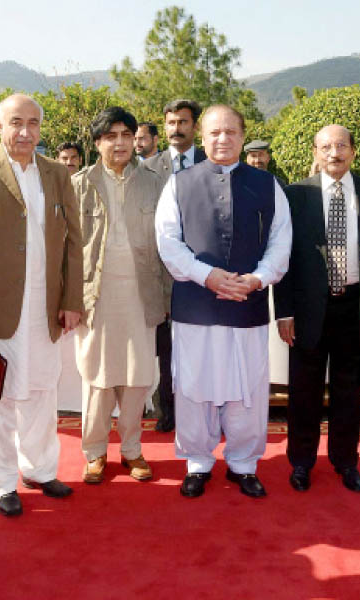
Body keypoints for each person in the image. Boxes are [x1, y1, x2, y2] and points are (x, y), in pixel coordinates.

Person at [0, 94, 83, 517]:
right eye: (16, 123)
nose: (25, 132)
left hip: (44, 307)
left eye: (33, 124)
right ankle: (1, 480)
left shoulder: (57, 173)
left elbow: (74, 243)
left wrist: (72, 299)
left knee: (43, 388)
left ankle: (39, 469)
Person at [155, 105, 292, 498]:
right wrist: (207, 276)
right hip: (195, 305)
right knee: (193, 385)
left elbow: (281, 241)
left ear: (243, 135)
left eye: (231, 132)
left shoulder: (268, 185)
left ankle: (243, 462)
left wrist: (257, 279)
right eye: (214, 132)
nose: (223, 139)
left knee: (246, 385)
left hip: (247, 304)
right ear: (202, 135)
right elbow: (168, 243)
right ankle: (197, 461)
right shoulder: (178, 184)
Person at [274, 125, 360, 493]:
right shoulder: (295, 196)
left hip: (355, 307)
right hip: (308, 309)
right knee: (303, 392)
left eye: (342, 145)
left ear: (354, 152)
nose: (334, 153)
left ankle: (346, 461)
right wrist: (284, 312)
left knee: (347, 392)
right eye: (326, 147)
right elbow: (284, 257)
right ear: (315, 151)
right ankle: (301, 463)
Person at [71, 107, 168, 484]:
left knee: (137, 376)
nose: (120, 143)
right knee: (97, 375)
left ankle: (131, 450)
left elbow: (167, 243)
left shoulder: (156, 183)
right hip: (94, 295)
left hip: (142, 293)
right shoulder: (78, 184)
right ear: (97, 143)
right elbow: (66, 249)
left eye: (126, 135)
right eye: (110, 136)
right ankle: (94, 453)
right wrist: (69, 300)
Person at [144, 98, 207, 433]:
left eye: (183, 122)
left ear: (194, 127)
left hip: (203, 276)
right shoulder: (148, 168)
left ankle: (205, 413)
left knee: (201, 351)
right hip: (162, 276)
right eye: (170, 123)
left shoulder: (211, 165)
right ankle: (168, 413)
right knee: (165, 352)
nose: (176, 129)